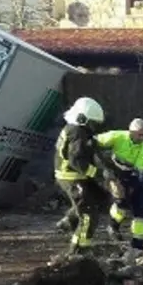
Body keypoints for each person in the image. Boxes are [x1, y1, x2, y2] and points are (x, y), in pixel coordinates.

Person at [53, 97, 121, 255]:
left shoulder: (79, 130)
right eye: (92, 122)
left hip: (76, 174)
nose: (94, 127)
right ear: (82, 118)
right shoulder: (77, 132)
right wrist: (98, 174)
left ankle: (69, 221)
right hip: (71, 176)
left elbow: (92, 152)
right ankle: (78, 250)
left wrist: (106, 171)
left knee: (101, 197)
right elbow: (77, 161)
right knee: (89, 214)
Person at [96, 119, 143, 251]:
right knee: (121, 205)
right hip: (115, 174)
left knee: (140, 210)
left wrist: (130, 189)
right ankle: (113, 226)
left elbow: (138, 173)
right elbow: (95, 141)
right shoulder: (117, 136)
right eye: (140, 134)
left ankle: (138, 243)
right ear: (131, 132)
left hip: (135, 177)